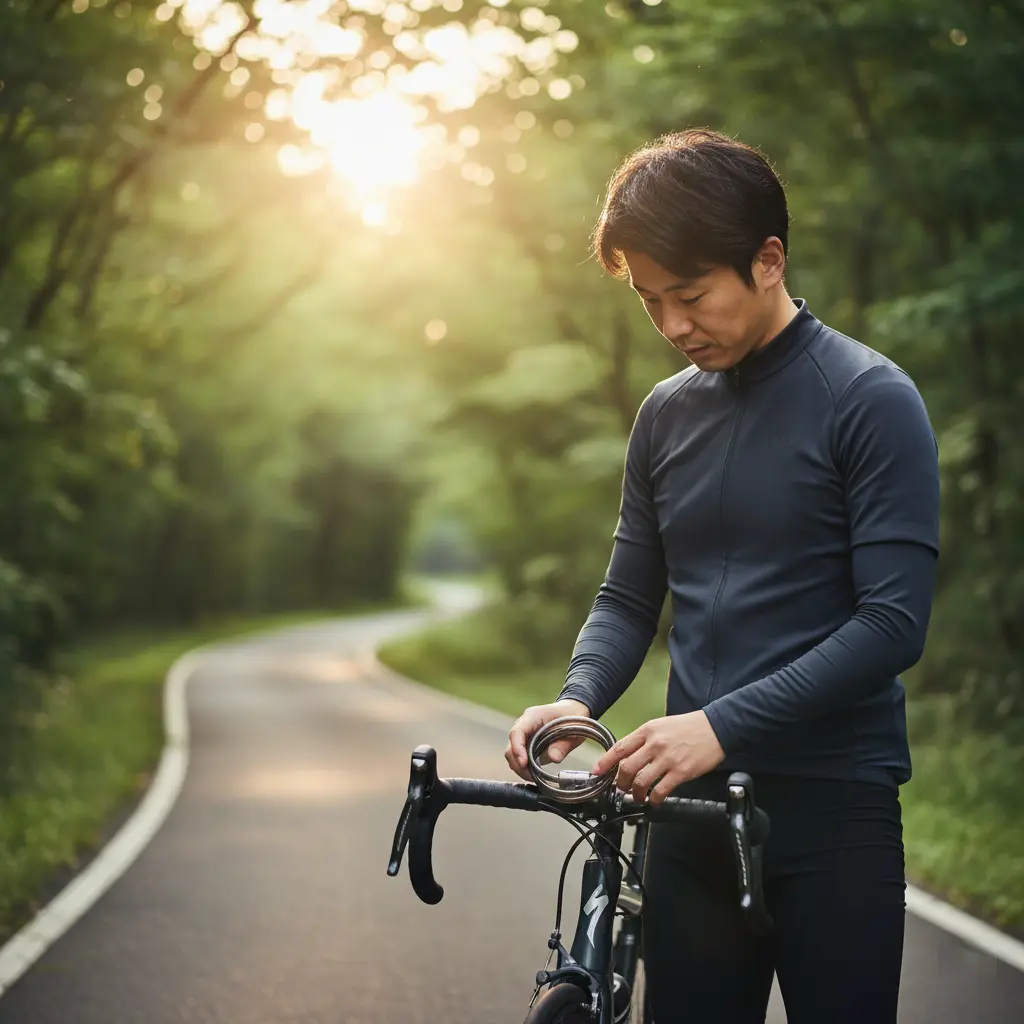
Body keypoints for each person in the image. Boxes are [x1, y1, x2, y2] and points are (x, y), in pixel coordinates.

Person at [503, 129, 940, 1023]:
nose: (672, 326)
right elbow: (630, 598)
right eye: (650, 301)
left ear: (768, 261)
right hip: (687, 825)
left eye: (692, 296)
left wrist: (720, 726)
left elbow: (893, 624)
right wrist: (576, 697)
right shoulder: (664, 416)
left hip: (832, 822)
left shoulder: (870, 398)